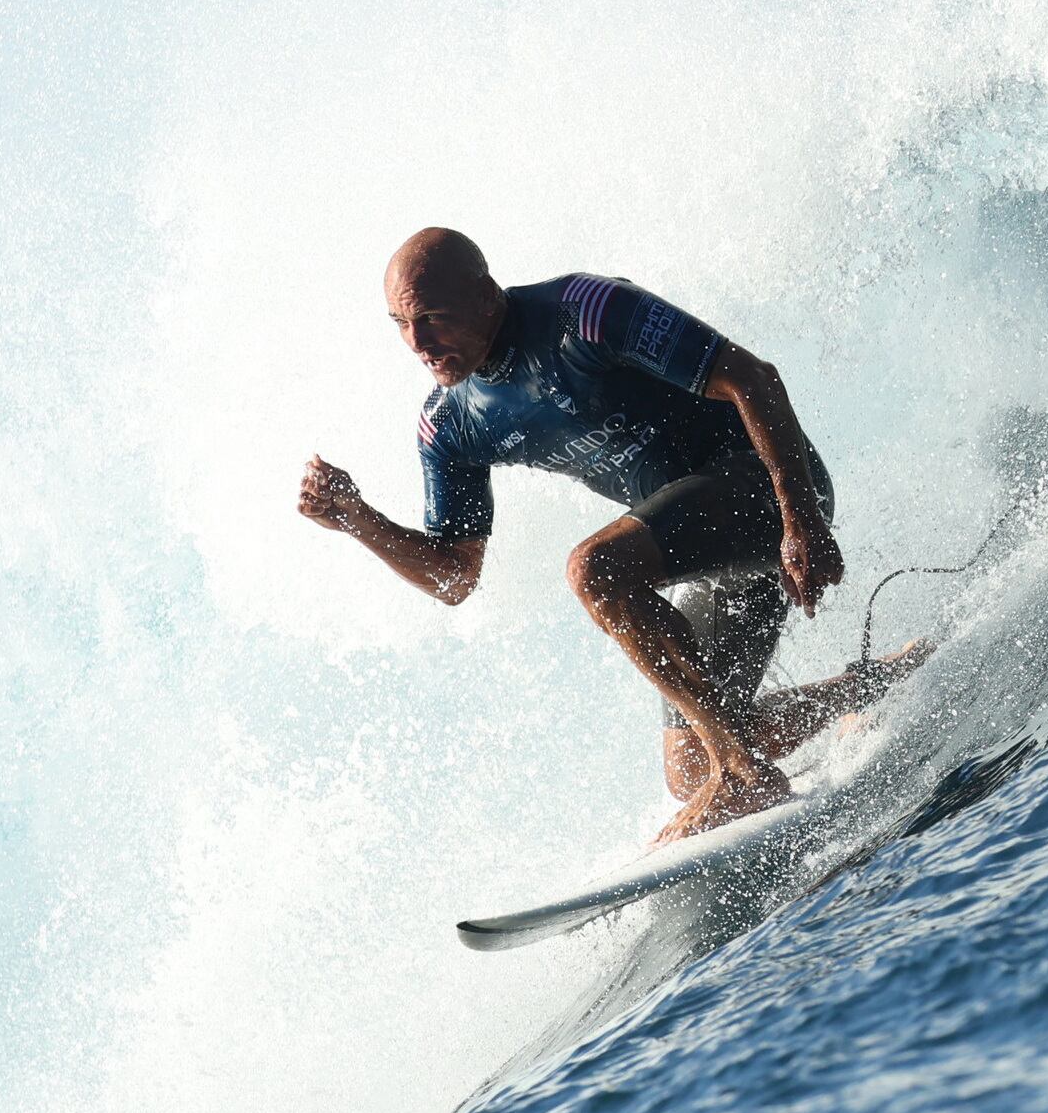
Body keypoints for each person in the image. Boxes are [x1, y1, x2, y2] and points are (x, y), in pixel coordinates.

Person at [298, 227, 924, 843]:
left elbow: (753, 378)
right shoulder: (451, 424)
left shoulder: (586, 312)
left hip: (771, 490)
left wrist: (803, 521)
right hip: (706, 552)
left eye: (431, 317)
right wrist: (359, 518)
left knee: (594, 571)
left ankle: (740, 771)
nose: (418, 343)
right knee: (687, 769)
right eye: (400, 324)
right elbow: (454, 576)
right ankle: (877, 685)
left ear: (487, 295)